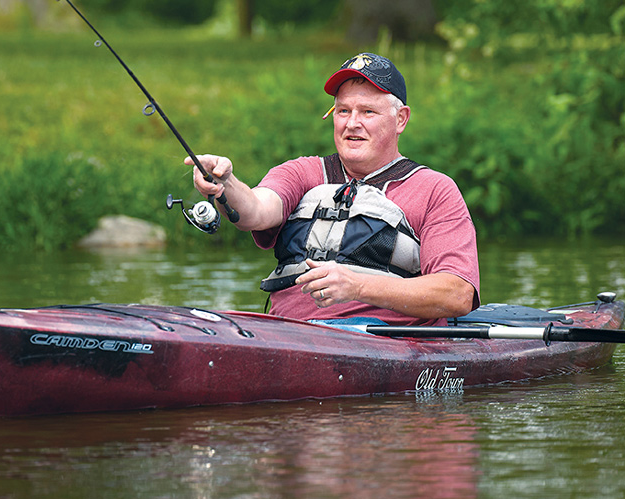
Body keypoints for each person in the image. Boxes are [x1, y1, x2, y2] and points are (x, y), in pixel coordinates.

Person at [185, 52, 479, 326]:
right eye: (343, 111)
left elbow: (457, 293)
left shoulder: (434, 190)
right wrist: (225, 184)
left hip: (382, 344)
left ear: (400, 119)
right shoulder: (302, 172)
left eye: (367, 112)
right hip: (289, 333)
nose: (352, 123)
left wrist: (358, 286)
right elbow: (256, 210)